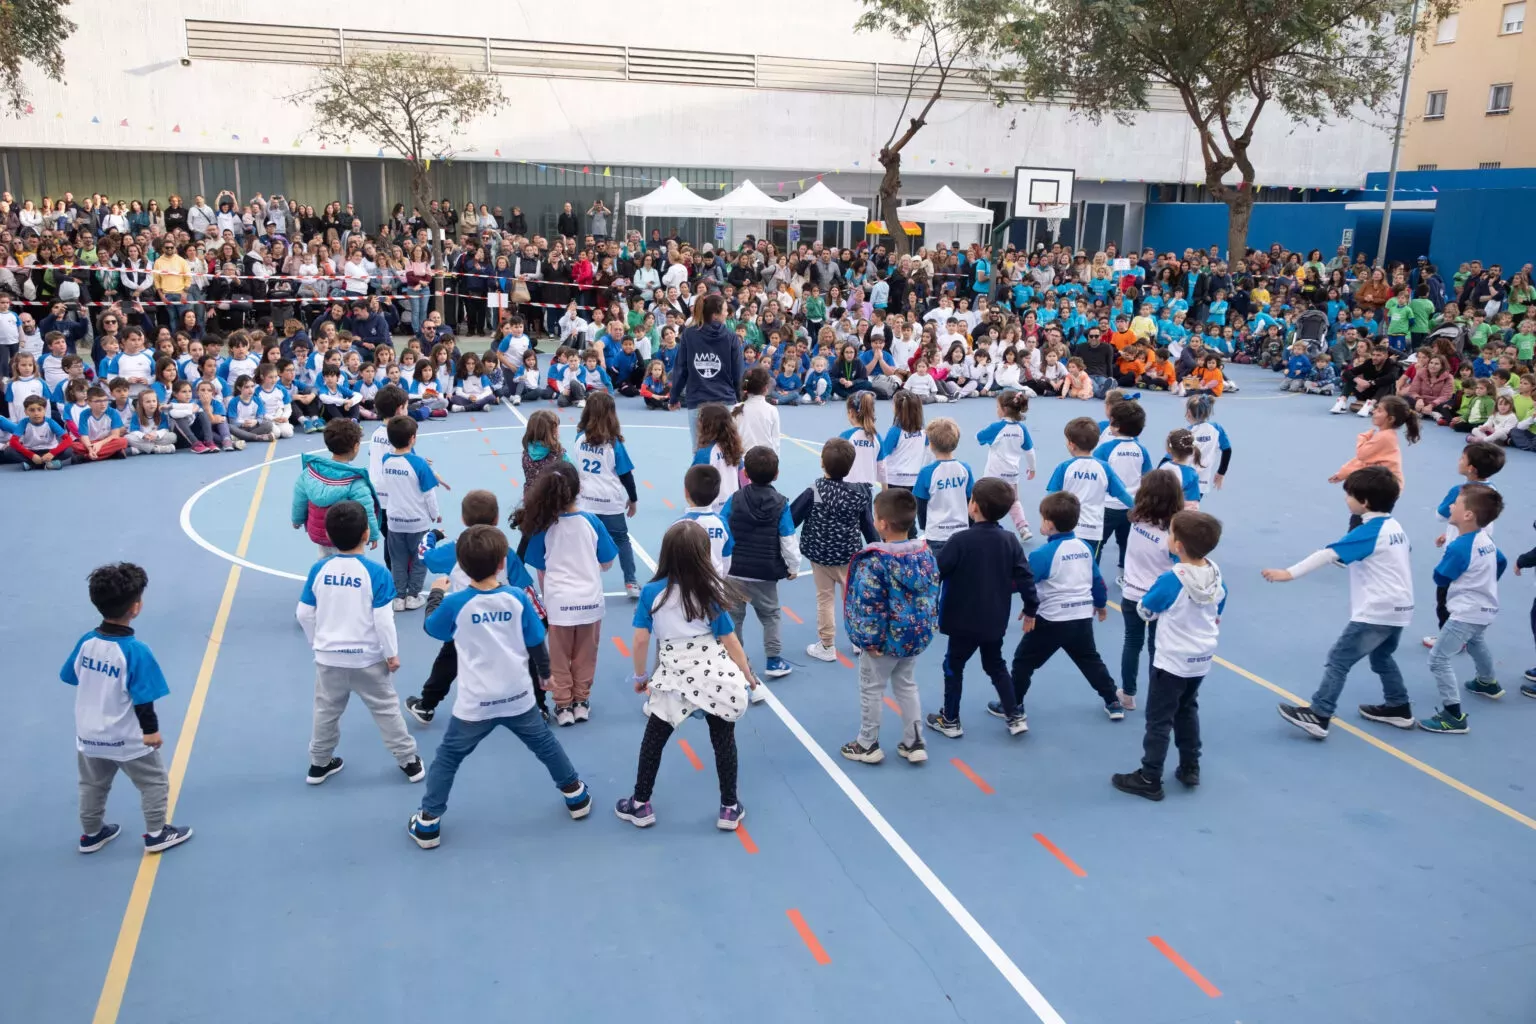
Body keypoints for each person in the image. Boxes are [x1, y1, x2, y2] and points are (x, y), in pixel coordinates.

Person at [408, 525, 593, 849]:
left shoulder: (455, 603)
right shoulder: (517, 598)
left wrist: (437, 592)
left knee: (449, 757)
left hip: (475, 702)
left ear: (462, 567)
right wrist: (546, 672)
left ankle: (428, 822)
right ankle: (575, 795)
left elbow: (432, 627)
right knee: (545, 746)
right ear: (500, 565)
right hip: (518, 696)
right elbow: (536, 640)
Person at [616, 520, 759, 831]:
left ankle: (640, 804)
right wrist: (746, 673)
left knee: (654, 738)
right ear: (703, 555)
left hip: (673, 674)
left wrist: (641, 676)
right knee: (723, 740)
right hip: (714, 673)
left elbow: (641, 639)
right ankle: (729, 807)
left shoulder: (653, 592)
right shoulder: (710, 590)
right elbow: (729, 640)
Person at [1265, 467, 1416, 739]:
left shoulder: (1370, 531)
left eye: (1349, 496)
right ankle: (1399, 706)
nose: (1346, 500)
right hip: (1400, 608)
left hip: (1376, 610)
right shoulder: (1394, 526)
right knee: (1382, 657)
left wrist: (1289, 573)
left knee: (1338, 659)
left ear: (1365, 502)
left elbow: (1328, 554)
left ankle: (1320, 714)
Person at [64, 562, 193, 854]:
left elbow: (70, 676)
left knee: (92, 786)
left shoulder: (86, 642)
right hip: (128, 739)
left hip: (88, 735)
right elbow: (144, 699)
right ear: (135, 607)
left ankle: (92, 834)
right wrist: (151, 732)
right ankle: (157, 833)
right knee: (154, 783)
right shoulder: (136, 651)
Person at [295, 501, 423, 786]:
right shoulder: (377, 574)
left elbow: (303, 613)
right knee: (386, 708)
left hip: (329, 659)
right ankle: (409, 762)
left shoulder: (319, 570)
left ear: (328, 536)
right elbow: (383, 621)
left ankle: (318, 764)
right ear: (367, 533)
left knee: (326, 711)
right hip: (367, 659)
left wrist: (317, 643)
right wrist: (391, 654)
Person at [1111, 510, 1226, 800]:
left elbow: (1146, 608)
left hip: (1172, 659)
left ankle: (1150, 776)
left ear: (1177, 545)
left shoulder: (1172, 579)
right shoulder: (1215, 574)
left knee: (1158, 719)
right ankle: (1190, 765)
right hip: (1201, 659)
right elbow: (1220, 605)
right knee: (1187, 709)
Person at [406, 490, 544, 726]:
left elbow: (424, 557)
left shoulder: (455, 549)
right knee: (526, 658)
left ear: (463, 519)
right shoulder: (505, 552)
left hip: (466, 619)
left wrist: (431, 535)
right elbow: (525, 587)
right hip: (505, 618)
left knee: (449, 660)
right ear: (496, 519)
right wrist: (539, 617)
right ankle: (539, 707)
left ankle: (426, 705)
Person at [924, 477, 1038, 740]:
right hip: (994, 619)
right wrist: (1031, 608)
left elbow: (936, 573)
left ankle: (950, 719)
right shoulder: (1010, 540)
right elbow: (1025, 577)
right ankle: (1014, 714)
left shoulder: (960, 540)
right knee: (996, 664)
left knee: (953, 665)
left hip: (961, 620)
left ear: (973, 506)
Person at [839, 489, 940, 763]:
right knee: (906, 685)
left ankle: (867, 744)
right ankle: (914, 741)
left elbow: (868, 605)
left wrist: (868, 641)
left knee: (872, 688)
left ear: (881, 523)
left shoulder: (873, 561)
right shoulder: (924, 554)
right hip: (913, 637)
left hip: (881, 642)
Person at [1008, 492, 1126, 722]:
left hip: (1051, 620)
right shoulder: (1084, 547)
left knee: (1023, 661)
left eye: (1042, 519)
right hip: (1081, 618)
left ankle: (1014, 704)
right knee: (1090, 659)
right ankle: (1112, 700)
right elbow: (1097, 580)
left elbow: (1022, 583)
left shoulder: (1043, 554)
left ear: (1049, 525)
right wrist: (1101, 605)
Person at [520, 461, 618, 726]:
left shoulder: (544, 527)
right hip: (590, 602)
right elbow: (608, 561)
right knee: (586, 653)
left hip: (560, 603)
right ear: (578, 489)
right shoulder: (591, 521)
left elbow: (539, 567)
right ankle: (581, 701)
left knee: (559, 655)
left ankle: (562, 706)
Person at [1419, 484, 1507, 733]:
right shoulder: (1484, 540)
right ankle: (1487, 681)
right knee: (1477, 641)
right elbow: (1500, 560)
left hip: (1465, 611)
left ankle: (1453, 716)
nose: (1450, 506)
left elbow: (1441, 577)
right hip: (1485, 607)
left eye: (1456, 504)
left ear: (1468, 515)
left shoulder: (1459, 547)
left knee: (1438, 658)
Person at [792, 437, 878, 663]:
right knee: (851, 598)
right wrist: (877, 548)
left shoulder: (814, 490)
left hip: (820, 557)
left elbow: (792, 518)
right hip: (849, 555)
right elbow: (868, 526)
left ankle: (827, 645)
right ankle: (858, 640)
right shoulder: (860, 492)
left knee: (825, 599)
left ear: (822, 463)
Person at [722, 445, 801, 685]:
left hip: (735, 570)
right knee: (771, 615)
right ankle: (774, 660)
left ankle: (735, 661)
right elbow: (787, 538)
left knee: (734, 616)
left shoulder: (735, 499)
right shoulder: (781, 503)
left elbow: (723, 528)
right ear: (776, 474)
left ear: (744, 473)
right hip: (766, 572)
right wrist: (793, 567)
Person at [1424, 442, 1504, 648]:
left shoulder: (1460, 491)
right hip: (1481, 547)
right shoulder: (1492, 491)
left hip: (1460, 550)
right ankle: (1465, 634)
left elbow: (1440, 515)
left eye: (1462, 458)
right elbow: (1470, 520)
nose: (1459, 461)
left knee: (1445, 596)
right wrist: (1449, 532)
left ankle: (1449, 639)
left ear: (1471, 469)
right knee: (1468, 595)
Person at [573, 392, 641, 599]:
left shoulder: (579, 438)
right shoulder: (613, 444)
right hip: (609, 501)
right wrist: (633, 499)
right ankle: (631, 582)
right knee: (621, 539)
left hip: (584, 502)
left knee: (586, 543)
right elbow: (626, 475)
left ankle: (584, 583)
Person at [1045, 417, 1135, 558]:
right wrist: (1139, 510)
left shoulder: (1064, 467)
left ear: (1071, 444)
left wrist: (1047, 520)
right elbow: (1122, 494)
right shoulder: (1104, 468)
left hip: (1066, 527)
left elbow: (1050, 498)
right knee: (1090, 567)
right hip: (1093, 530)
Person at [377, 415, 442, 609]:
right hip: (417, 522)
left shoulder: (386, 460)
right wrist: (434, 514)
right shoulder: (419, 463)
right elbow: (429, 494)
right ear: (413, 438)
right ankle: (413, 595)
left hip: (394, 520)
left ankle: (398, 597)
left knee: (398, 559)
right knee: (419, 559)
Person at [671, 293, 743, 447]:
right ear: (715, 315)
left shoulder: (689, 335)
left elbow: (681, 369)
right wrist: (739, 398)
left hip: (698, 401)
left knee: (700, 450)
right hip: (725, 400)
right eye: (724, 310)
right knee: (728, 451)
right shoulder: (731, 338)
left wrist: (674, 397)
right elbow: (738, 373)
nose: (727, 313)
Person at [1092, 399, 1152, 574]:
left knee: (1098, 542)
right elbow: (1148, 477)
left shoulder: (1105, 449)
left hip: (1108, 507)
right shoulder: (1142, 450)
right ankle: (1126, 572)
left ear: (1115, 426)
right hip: (1131, 506)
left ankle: (1092, 574)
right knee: (1127, 542)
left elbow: (1097, 474)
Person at [912, 417, 973, 554]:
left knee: (938, 571)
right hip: (961, 531)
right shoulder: (965, 469)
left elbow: (920, 504)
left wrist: (924, 525)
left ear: (931, 445)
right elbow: (970, 499)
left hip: (937, 534)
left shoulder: (926, 472)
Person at [680, 465, 734, 575]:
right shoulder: (722, 523)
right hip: (715, 585)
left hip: (688, 585)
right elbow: (726, 558)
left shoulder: (679, 525)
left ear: (686, 492)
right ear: (717, 493)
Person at [691, 403, 744, 512]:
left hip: (711, 508)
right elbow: (742, 477)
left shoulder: (705, 453)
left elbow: (694, 481)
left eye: (700, 420)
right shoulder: (734, 448)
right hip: (732, 505)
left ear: (707, 425)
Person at [1183, 395, 1231, 498]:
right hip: (1202, 482)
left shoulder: (1187, 433)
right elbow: (1227, 450)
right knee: (1191, 511)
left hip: (1184, 480)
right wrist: (1221, 473)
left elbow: (1172, 456)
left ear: (1189, 413)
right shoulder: (1217, 429)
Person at [839, 391, 881, 489]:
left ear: (851, 413)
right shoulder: (876, 437)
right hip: (868, 490)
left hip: (847, 488)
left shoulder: (845, 436)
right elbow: (882, 467)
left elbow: (836, 464)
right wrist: (885, 490)